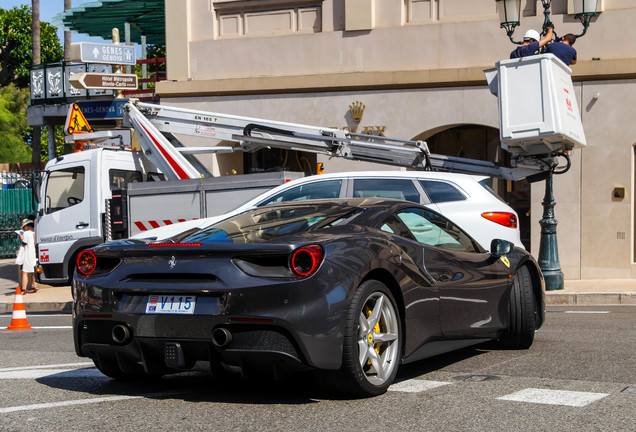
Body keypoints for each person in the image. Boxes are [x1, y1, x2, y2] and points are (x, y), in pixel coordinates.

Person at [20, 219, 38, 294]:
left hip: (28, 254)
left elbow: (24, 243)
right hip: (34, 254)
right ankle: (34, 287)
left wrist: (21, 238)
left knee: (25, 272)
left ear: (27, 226)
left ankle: (23, 289)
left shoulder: (26, 233)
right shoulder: (35, 233)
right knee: (34, 272)